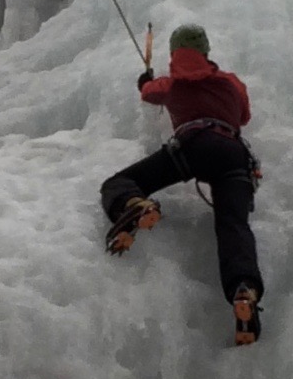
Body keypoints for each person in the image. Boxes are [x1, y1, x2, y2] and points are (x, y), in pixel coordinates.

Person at [101, 24, 265, 346]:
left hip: (192, 147)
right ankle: (243, 290)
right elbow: (243, 117)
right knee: (234, 226)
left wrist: (146, 82)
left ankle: (135, 203)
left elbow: (150, 93)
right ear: (206, 52)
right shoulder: (231, 84)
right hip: (234, 156)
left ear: (175, 54)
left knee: (120, 182)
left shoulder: (172, 84)